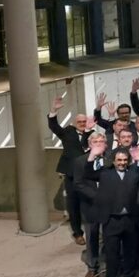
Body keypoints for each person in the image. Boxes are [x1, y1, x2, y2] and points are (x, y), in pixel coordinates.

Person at [91, 148, 139, 277]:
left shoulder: (134, 174)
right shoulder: (105, 174)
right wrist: (92, 155)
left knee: (130, 253)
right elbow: (87, 174)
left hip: (130, 220)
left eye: (125, 160)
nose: (122, 163)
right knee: (112, 255)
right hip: (111, 220)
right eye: (119, 160)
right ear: (113, 161)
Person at [48, 95, 92, 246]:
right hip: (72, 175)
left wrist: (88, 131)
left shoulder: (91, 134)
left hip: (88, 175)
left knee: (90, 203)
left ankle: (93, 231)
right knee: (73, 206)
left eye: (84, 121)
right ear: (74, 123)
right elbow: (54, 127)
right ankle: (77, 233)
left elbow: (86, 146)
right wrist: (53, 111)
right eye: (79, 122)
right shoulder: (68, 132)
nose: (82, 124)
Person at [73, 132, 106, 277]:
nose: (98, 144)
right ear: (89, 144)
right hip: (90, 205)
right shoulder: (80, 161)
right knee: (92, 236)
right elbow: (78, 184)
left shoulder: (110, 159)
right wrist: (96, 196)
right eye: (95, 142)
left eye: (101, 141)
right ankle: (92, 267)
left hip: (108, 205)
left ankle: (106, 265)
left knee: (107, 237)